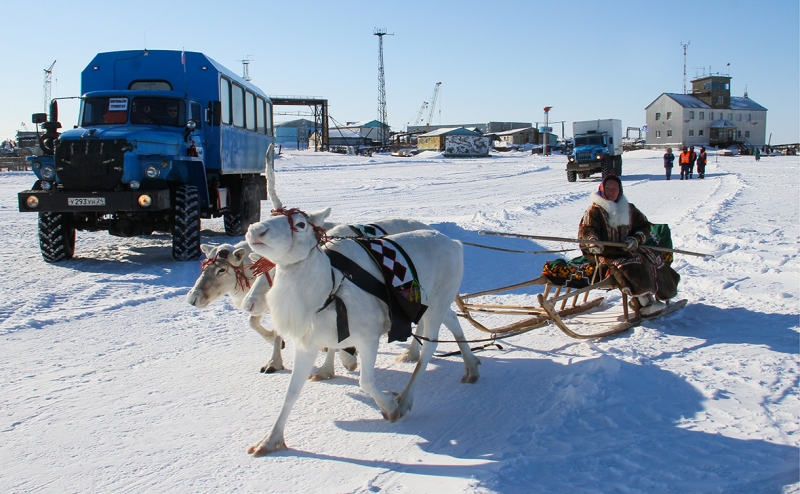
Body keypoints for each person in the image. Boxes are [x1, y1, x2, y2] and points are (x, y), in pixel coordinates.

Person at [578, 175, 680, 316]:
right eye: (608, 188)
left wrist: (636, 239)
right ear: (602, 189)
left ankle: (653, 297)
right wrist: (592, 242)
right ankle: (645, 302)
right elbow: (587, 230)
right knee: (629, 263)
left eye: (615, 188)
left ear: (620, 190)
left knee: (652, 257)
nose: (611, 192)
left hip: (628, 248)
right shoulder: (594, 210)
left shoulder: (629, 208)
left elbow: (644, 226)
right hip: (605, 253)